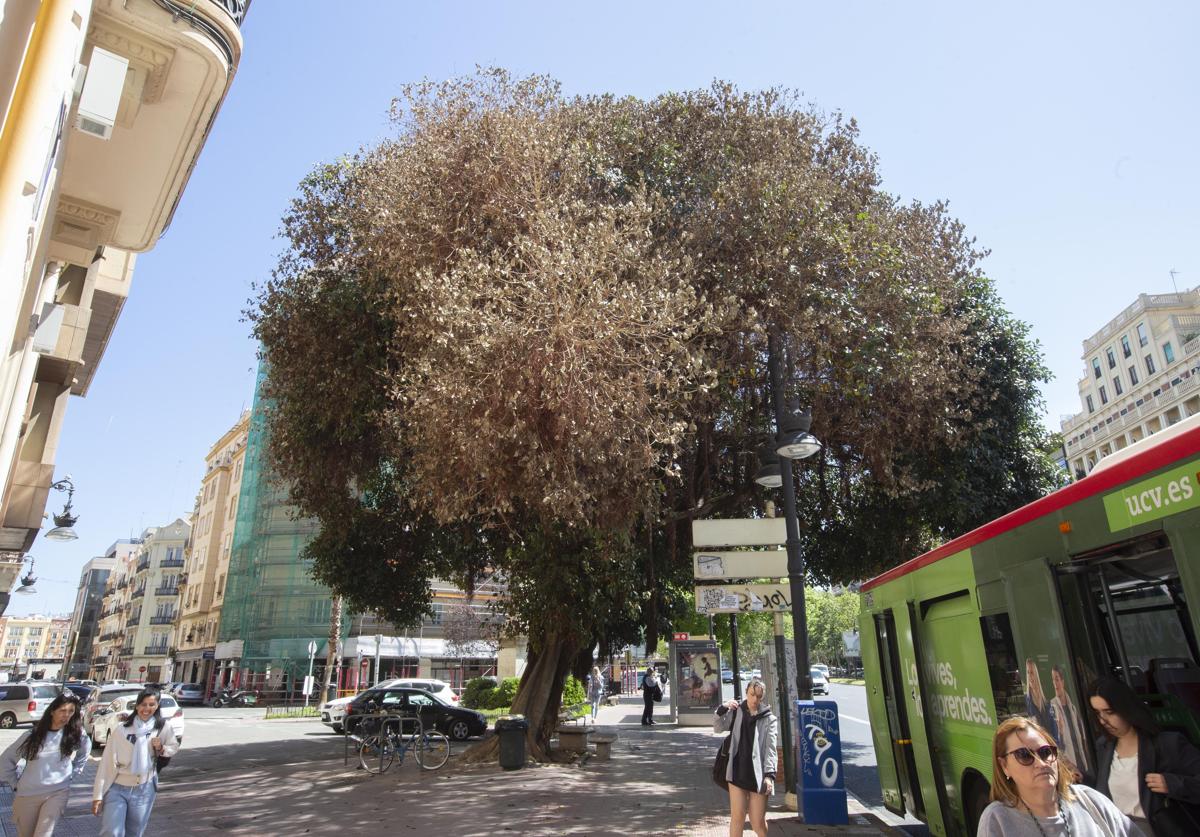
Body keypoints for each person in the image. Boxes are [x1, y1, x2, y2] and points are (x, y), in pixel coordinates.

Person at [977, 715, 1142, 837]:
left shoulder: (1090, 800)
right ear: (1004, 766)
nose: (1041, 763)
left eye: (1045, 752)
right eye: (1024, 755)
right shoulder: (997, 819)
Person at [1088, 677, 1200, 837]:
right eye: (1097, 713)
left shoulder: (1168, 744)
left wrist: (1174, 784)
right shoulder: (1104, 746)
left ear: (1126, 708)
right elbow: (1104, 790)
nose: (1103, 720)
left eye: (1109, 712)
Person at [0, 692, 91, 837]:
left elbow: (85, 750)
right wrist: (14, 783)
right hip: (27, 795)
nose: (66, 715)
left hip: (57, 792)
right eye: (62, 710)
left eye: (70, 711)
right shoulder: (32, 736)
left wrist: (74, 772)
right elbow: (6, 761)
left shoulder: (75, 734)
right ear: (52, 711)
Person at [93, 688, 180, 837]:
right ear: (137, 706)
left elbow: (173, 747)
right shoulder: (122, 729)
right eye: (143, 704)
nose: (147, 709)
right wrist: (98, 795)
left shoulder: (162, 727)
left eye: (151, 704)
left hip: (144, 788)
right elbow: (107, 763)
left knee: (134, 833)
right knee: (111, 832)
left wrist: (160, 747)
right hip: (117, 787)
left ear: (157, 706)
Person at [713, 678, 778, 837]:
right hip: (737, 771)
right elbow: (718, 727)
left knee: (757, 822)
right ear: (746, 693)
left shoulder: (769, 719)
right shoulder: (737, 711)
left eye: (758, 696)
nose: (754, 699)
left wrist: (769, 776)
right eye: (752, 694)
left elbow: (771, 749)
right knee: (738, 817)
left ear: (762, 697)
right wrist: (723, 708)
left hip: (758, 775)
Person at [1050, 664, 1091, 778]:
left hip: (1083, 765)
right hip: (1070, 769)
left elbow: (1083, 739)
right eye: (1053, 680)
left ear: (1063, 681)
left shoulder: (1073, 708)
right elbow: (1054, 743)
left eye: (1057, 679)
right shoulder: (1052, 708)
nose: (1055, 684)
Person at [1025, 658, 1060, 746]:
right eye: (1028, 673)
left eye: (1032, 673)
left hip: (1051, 747)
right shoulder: (1026, 701)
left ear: (1037, 674)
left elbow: (1054, 730)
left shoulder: (1047, 702)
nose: (1030, 676)